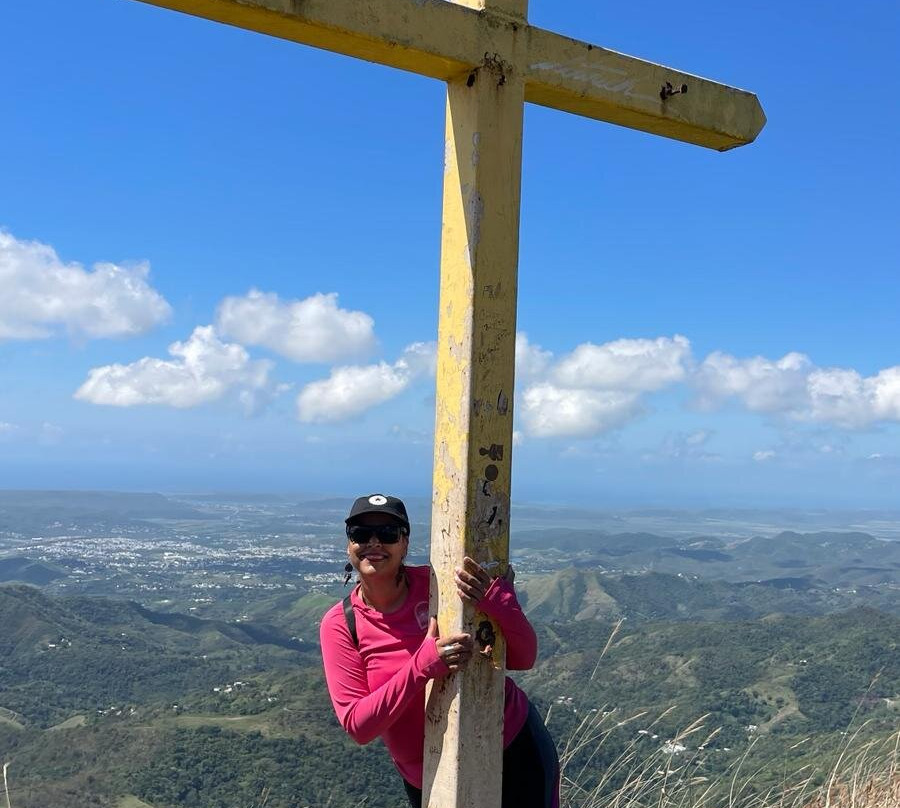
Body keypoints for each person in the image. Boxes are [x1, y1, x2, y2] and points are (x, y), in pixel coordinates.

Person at [320, 493, 560, 808]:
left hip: (511, 746)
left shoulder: (440, 585)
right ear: (349, 544)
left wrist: (500, 603)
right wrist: (423, 664)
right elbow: (358, 725)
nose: (374, 543)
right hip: (429, 776)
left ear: (405, 543)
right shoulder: (341, 624)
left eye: (388, 534)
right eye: (361, 534)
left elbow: (523, 657)